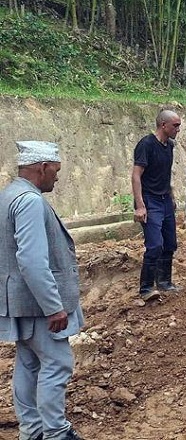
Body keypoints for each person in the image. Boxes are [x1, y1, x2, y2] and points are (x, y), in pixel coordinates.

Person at [0, 141, 84, 440]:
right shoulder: (30, 201)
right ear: (43, 167)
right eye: (56, 171)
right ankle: (56, 433)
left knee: (28, 363)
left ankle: (32, 431)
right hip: (38, 303)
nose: (57, 178)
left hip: (19, 300)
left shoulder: (9, 194)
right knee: (57, 363)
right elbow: (32, 260)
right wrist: (54, 306)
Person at [131, 110, 182, 301]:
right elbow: (136, 176)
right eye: (175, 125)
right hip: (150, 200)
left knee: (170, 243)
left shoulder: (169, 146)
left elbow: (165, 174)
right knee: (154, 245)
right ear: (163, 125)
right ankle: (146, 288)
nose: (178, 129)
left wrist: (172, 196)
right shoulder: (146, 145)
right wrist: (140, 205)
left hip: (164, 199)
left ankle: (164, 282)